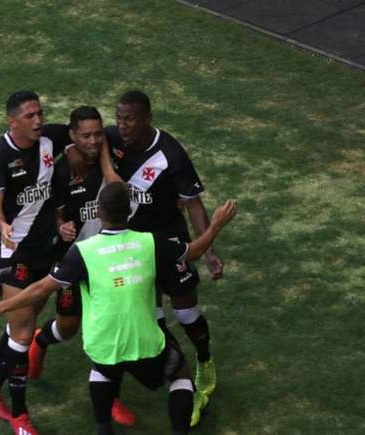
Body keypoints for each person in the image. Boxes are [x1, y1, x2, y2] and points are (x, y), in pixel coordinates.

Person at [0, 182, 237, 435]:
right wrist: (215, 226)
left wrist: (0, 307)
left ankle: (103, 428)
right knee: (180, 375)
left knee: (102, 370)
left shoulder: (82, 252)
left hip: (104, 345)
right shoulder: (150, 242)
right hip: (144, 341)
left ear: (99, 213)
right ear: (129, 211)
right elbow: (193, 252)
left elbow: (40, 289)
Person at [104, 90, 222, 425]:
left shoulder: (171, 154)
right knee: (153, 318)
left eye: (130, 119)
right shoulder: (111, 139)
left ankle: (205, 360)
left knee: (186, 313)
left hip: (170, 243)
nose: (122, 125)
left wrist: (208, 250)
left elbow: (194, 203)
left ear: (147, 118)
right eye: (119, 118)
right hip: (134, 247)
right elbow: (85, 138)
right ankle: (182, 380)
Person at [0, 90, 86, 435]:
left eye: (40, 113)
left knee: (22, 324)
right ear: (13, 122)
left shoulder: (49, 138)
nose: (38, 120)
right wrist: (2, 224)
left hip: (47, 248)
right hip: (14, 252)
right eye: (30, 116)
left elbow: (85, 135)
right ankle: (20, 415)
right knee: (23, 330)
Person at [27, 106, 136, 426]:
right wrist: (61, 227)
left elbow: (119, 185)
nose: (92, 140)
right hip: (74, 260)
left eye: (97, 134)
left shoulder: (113, 151)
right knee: (69, 326)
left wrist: (102, 157)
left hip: (109, 259)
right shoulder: (62, 172)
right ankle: (41, 340)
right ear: (71, 136)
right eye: (84, 136)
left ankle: (111, 397)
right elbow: (54, 213)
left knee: (109, 330)